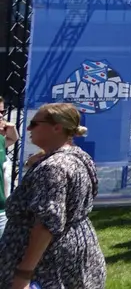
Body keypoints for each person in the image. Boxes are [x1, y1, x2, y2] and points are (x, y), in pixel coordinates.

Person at [0, 103, 106, 289]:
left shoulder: (53, 168)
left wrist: (24, 274)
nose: (28, 128)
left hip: (48, 263)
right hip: (77, 246)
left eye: (35, 123)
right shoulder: (77, 156)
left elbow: (46, 224)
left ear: (57, 127)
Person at [0, 96, 20, 236]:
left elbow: (12, 139)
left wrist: (11, 129)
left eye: (2, 112)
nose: (1, 116)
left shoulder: (0, 139)